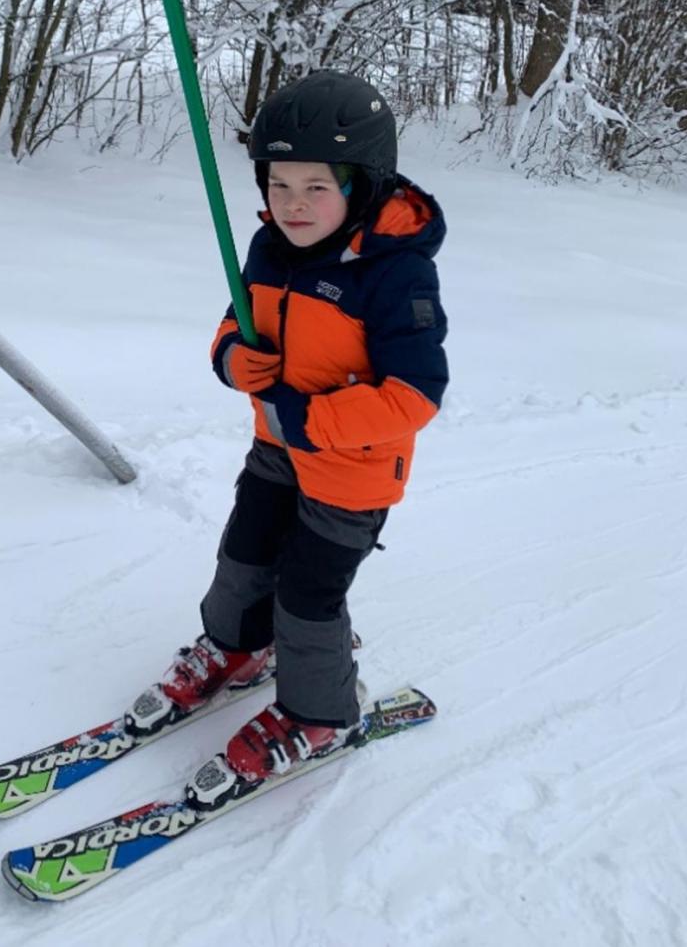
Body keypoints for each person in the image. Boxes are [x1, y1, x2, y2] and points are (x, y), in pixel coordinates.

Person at [127, 70, 448, 785]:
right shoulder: (269, 248)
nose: (292, 204)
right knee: (243, 555)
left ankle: (319, 714)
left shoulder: (393, 274)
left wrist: (310, 419)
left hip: (353, 472)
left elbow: (416, 394)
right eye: (278, 185)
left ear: (361, 186)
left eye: (315, 187)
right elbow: (236, 318)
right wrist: (230, 356)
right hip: (276, 448)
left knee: (308, 595)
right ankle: (239, 647)